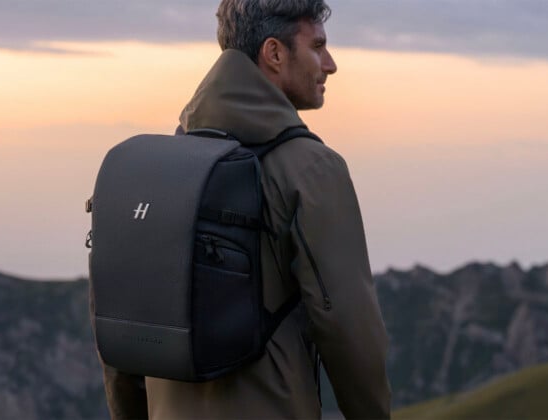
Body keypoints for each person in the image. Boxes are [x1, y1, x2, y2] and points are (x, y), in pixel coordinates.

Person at [100, 1, 391, 418]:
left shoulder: (157, 167)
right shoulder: (311, 169)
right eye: (318, 46)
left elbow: (120, 325)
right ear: (274, 53)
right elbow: (349, 329)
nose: (330, 64)